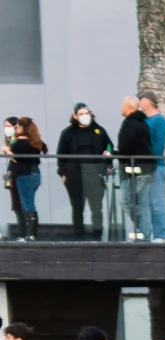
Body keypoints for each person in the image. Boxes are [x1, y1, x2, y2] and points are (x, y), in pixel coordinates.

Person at [56, 104, 111, 239]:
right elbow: (61, 154)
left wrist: (108, 161)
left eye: (86, 113)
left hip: (95, 171)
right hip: (74, 172)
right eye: (81, 114)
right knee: (77, 207)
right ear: (75, 116)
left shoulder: (98, 130)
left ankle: (97, 233)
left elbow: (109, 146)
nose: (84, 116)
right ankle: (78, 235)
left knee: (96, 206)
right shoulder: (67, 133)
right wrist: (63, 173)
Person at [115, 97, 152, 241]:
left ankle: (141, 229)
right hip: (145, 168)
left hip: (133, 170)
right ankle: (145, 234)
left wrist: (113, 154)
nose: (121, 108)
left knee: (126, 201)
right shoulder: (143, 123)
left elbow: (126, 148)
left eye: (123, 105)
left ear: (129, 107)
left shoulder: (130, 123)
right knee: (142, 203)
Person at [138, 93, 165, 241]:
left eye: (142, 99)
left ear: (149, 101)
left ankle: (163, 234)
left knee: (158, 202)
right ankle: (150, 234)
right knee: (146, 203)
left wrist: (151, 159)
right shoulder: (144, 120)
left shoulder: (159, 120)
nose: (139, 102)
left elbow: (159, 144)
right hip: (145, 167)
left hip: (156, 166)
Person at [8, 117, 44, 241]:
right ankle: (32, 234)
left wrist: (7, 150)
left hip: (24, 175)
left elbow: (15, 157)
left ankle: (31, 235)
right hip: (35, 174)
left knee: (28, 205)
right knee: (29, 203)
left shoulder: (21, 142)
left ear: (22, 128)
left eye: (17, 126)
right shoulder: (35, 142)